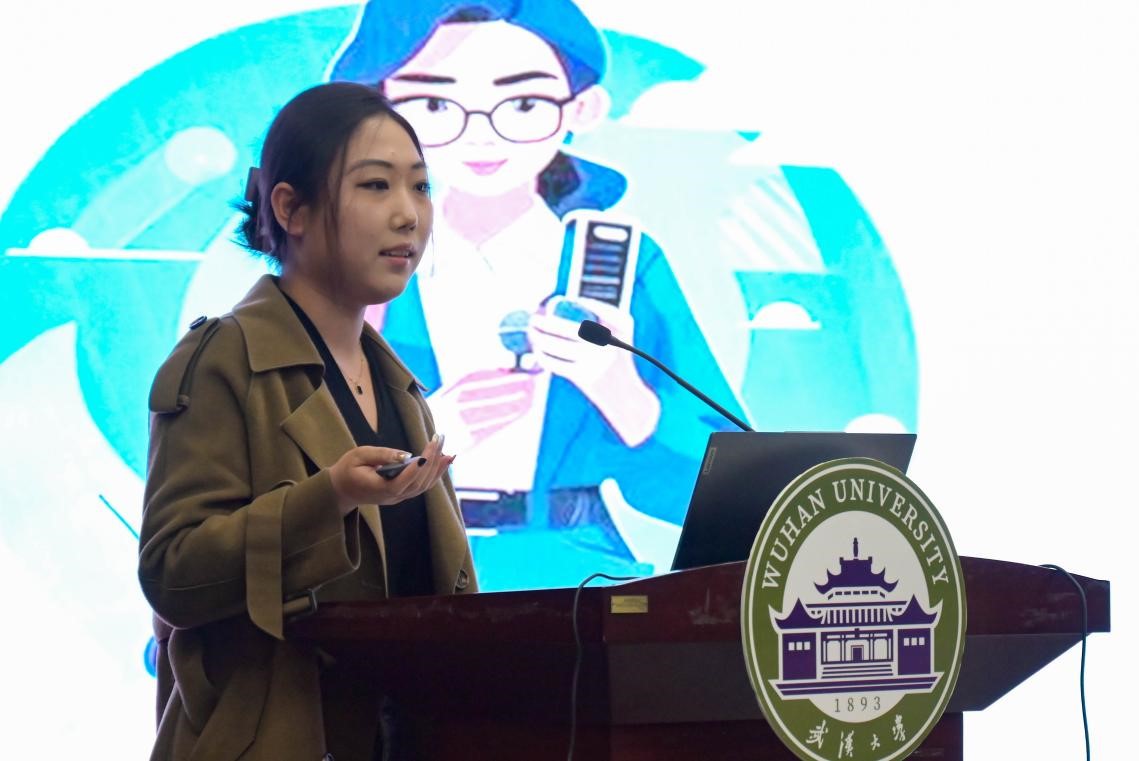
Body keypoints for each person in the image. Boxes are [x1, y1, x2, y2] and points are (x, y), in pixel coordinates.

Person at [330, 0, 749, 585]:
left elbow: (736, 504)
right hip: (399, 562)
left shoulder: (621, 266)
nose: (480, 134)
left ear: (582, 108)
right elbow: (276, 469)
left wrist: (622, 392)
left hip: (571, 569)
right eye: (434, 105)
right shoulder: (351, 264)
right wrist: (420, 436)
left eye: (524, 104)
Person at [137, 81, 476, 761]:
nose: (408, 215)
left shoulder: (399, 386)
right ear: (290, 207)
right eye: (375, 186)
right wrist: (330, 496)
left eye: (420, 186)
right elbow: (172, 574)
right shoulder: (224, 359)